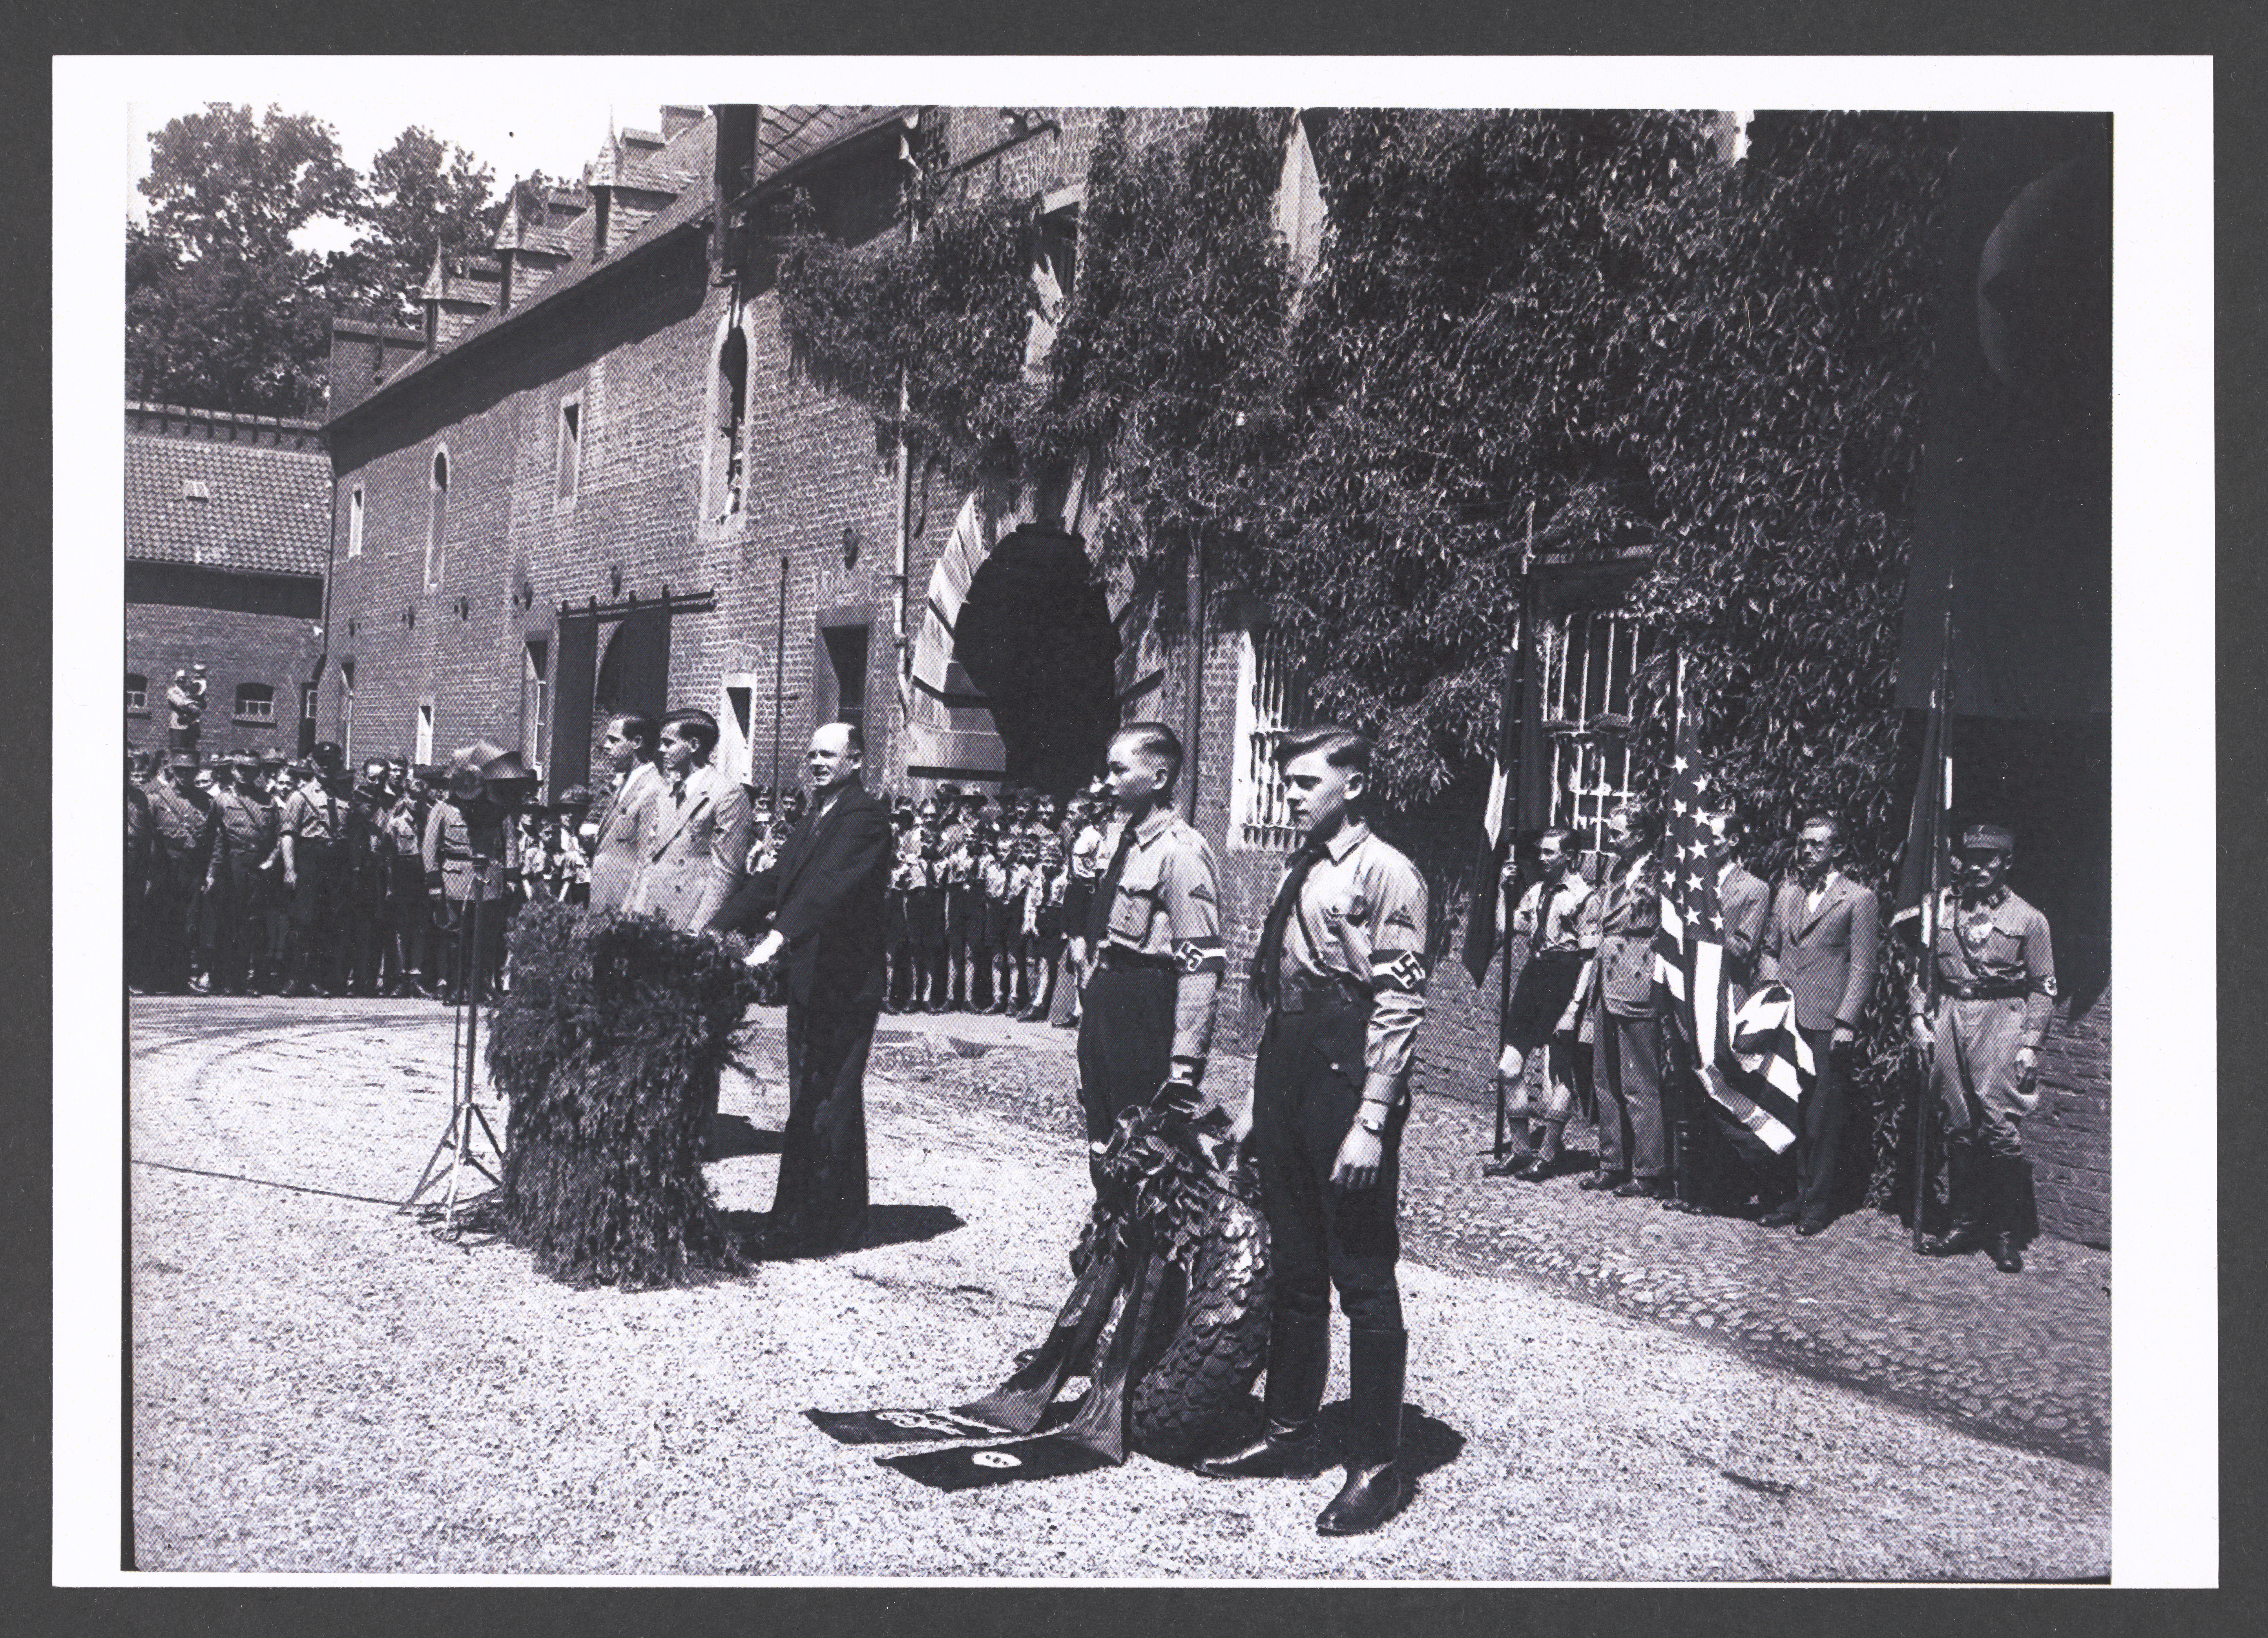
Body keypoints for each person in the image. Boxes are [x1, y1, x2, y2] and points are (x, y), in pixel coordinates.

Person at [1196, 726, 1427, 1538]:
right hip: (1291, 1060)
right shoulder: (1303, 864)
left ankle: (1376, 1463)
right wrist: (1262, 1100)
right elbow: (1283, 985)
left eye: (1304, 782)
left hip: (1348, 1068)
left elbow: (1398, 1002)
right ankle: (1288, 1433)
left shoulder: (1387, 873)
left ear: (1353, 784)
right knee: (1296, 1265)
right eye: (1285, 782)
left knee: (1359, 1270)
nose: (1290, 795)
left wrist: (1371, 1118)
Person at [709, 722, 893, 1255]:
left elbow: (829, 887)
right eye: (811, 755)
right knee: (811, 1093)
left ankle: (819, 1226)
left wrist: (776, 938)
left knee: (828, 1095)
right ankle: (814, 1216)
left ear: (856, 761)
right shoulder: (816, 815)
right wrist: (720, 924)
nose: (816, 763)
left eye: (829, 755)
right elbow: (778, 880)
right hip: (815, 976)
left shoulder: (863, 818)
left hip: (845, 979)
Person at [1075, 724, 1225, 1181]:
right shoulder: (1127, 842)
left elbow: (1201, 967)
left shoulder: (1181, 852)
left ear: (1158, 778)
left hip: (1145, 1010)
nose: (1109, 782)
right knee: (1103, 1145)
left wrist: (1184, 1067)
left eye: (1120, 771)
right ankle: (1111, 1250)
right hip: (1108, 1003)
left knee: (1145, 1156)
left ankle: (1146, 1253)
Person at [1915, 824, 2056, 1274]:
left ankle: (2004, 1233)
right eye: (1970, 858)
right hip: (1951, 1016)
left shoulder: (2029, 919)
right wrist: (1917, 1019)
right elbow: (1922, 972)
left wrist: (2031, 1044)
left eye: (1988, 859)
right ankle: (1963, 1224)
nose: (1976, 867)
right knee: (1957, 1123)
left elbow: (2043, 988)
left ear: (2006, 864)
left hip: (2002, 1021)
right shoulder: (1942, 911)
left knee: (1998, 1126)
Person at [1756, 814, 1881, 1236]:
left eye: (1817, 845)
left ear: (1837, 850)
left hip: (1825, 1021)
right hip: (1785, 1019)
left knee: (1821, 1116)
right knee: (1787, 1108)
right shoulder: (1787, 893)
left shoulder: (1858, 899)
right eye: (1803, 843)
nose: (1807, 851)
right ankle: (1790, 1197)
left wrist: (1847, 1021)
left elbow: (1863, 968)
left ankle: (1817, 1205)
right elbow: (1770, 949)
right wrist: (1769, 993)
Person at [1486, 827, 1593, 1182]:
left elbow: (1590, 958)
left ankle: (1546, 1154)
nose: (1542, 859)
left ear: (1569, 855)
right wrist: (1504, 890)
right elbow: (1505, 930)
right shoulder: (1536, 892)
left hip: (1565, 976)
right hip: (1534, 976)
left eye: (1550, 853)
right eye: (1541, 853)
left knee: (1560, 1066)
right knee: (1508, 1067)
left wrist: (1574, 1007)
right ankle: (1520, 1150)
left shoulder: (1584, 897)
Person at [1579, 802, 1671, 1199]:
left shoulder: (1661, 874)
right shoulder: (1616, 870)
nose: (1611, 840)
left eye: (1618, 833)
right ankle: (1611, 1162)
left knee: (1639, 1083)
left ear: (1639, 835)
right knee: (1605, 1078)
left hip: (1637, 980)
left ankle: (1648, 1170)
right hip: (1606, 978)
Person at [626, 710, 751, 932]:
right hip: (649, 911)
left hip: (686, 914)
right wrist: (629, 912)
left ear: (694, 746)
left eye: (668, 743)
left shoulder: (727, 794)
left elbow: (726, 872)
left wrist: (700, 930)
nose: (660, 750)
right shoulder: (667, 792)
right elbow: (648, 858)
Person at [422, 763, 519, 1004]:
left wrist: (512, 877)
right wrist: (434, 882)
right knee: (457, 936)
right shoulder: (443, 810)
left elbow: (509, 844)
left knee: (486, 936)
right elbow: (429, 847)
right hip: (455, 877)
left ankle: (481, 986)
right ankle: (456, 986)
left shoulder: (497, 811)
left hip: (489, 878)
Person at [143, 751, 215, 994]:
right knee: (160, 922)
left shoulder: (207, 802)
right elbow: (148, 839)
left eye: (191, 771)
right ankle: (154, 980)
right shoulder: (155, 800)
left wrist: (210, 873)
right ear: (172, 770)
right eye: (181, 770)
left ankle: (181, 980)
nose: (186, 775)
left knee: (189, 925)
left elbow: (214, 843)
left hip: (193, 871)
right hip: (164, 869)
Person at [278, 757, 349, 996]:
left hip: (335, 862)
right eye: (323, 764)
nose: (327, 769)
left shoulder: (345, 797)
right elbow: (288, 835)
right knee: (302, 921)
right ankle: (293, 978)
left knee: (326, 921)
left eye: (332, 764)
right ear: (315, 767)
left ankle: (316, 979)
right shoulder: (300, 796)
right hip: (309, 859)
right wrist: (290, 869)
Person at [585, 713, 663, 915]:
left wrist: (632, 913)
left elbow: (646, 858)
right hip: (605, 898)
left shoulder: (653, 789)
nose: (606, 746)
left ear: (637, 742)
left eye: (614, 741)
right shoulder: (628, 783)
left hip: (623, 905)